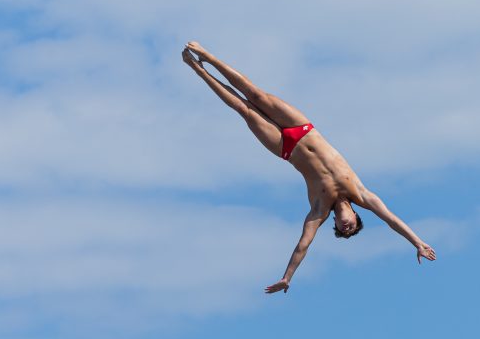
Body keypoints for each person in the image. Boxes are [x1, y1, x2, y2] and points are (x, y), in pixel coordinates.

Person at [182, 41, 437, 295]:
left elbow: (303, 245)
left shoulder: (319, 209)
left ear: (335, 222)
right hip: (302, 129)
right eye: (351, 227)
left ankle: (198, 69)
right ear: (355, 216)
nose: (346, 228)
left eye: (341, 230)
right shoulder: (362, 194)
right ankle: (207, 56)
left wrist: (287, 277)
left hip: (285, 148)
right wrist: (417, 242)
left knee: (244, 109)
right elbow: (391, 219)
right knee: (256, 95)